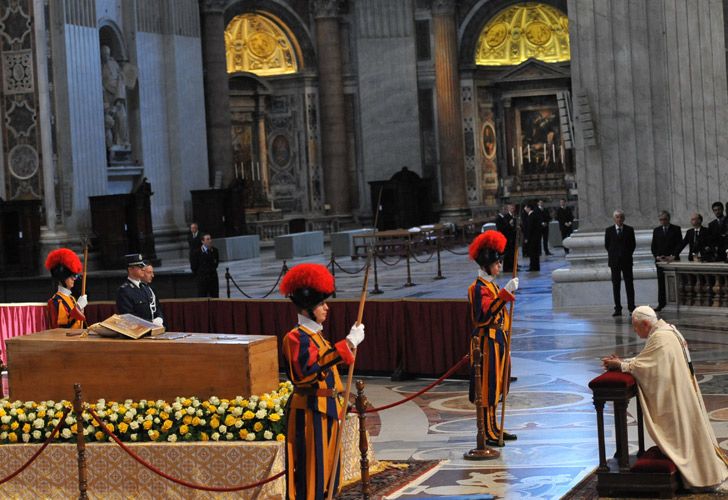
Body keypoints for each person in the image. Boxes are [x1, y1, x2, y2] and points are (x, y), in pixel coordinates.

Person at [602, 306, 728, 491]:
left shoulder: (661, 337)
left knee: (681, 432)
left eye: (636, 327)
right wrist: (623, 363)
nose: (635, 332)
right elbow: (649, 360)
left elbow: (649, 367)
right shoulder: (668, 331)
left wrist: (621, 365)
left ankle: (699, 473)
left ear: (645, 323)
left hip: (676, 397)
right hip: (682, 390)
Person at [280, 263, 365, 500]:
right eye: (321, 304)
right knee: (312, 474)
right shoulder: (296, 338)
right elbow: (306, 371)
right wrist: (348, 343)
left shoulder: (316, 336)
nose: (326, 308)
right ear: (308, 308)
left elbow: (329, 370)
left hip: (326, 410)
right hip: (310, 413)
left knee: (329, 472)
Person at [467, 230, 519, 447]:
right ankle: (487, 430)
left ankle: (495, 426)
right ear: (487, 264)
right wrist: (505, 295)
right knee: (487, 388)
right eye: (497, 263)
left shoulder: (492, 286)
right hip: (486, 342)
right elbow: (484, 315)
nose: (499, 267)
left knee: (497, 386)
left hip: (498, 340)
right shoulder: (477, 288)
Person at [44, 248, 88, 329]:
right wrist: (78, 307)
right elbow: (63, 327)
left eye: (75, 276)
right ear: (62, 278)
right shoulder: (55, 301)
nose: (74, 279)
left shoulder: (71, 298)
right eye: (72, 276)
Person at [116, 254, 164, 326]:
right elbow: (129, 317)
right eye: (140, 267)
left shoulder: (145, 287)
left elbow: (156, 307)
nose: (143, 269)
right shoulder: (124, 291)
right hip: (138, 332)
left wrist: (160, 318)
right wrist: (151, 322)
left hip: (154, 330)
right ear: (130, 269)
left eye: (143, 266)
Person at [605, 209, 636, 316]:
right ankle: (618, 308)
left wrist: (626, 254)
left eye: (621, 217)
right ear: (614, 219)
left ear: (624, 218)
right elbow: (607, 245)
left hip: (626, 261)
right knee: (616, 285)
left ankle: (632, 307)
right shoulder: (609, 231)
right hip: (614, 262)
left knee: (629, 285)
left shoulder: (629, 230)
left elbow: (633, 245)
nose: (619, 219)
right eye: (617, 217)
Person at [650, 211, 682, 312]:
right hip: (660, 261)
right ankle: (661, 303)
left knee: (674, 283)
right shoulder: (656, 230)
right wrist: (657, 256)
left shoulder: (676, 229)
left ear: (668, 219)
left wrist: (672, 256)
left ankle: (675, 303)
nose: (663, 221)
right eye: (661, 220)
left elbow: (679, 244)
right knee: (661, 283)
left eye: (664, 219)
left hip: (672, 260)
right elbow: (653, 246)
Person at [190, 233, 220, 298]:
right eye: (207, 239)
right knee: (202, 298)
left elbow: (216, 263)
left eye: (210, 239)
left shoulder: (215, 251)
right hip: (202, 280)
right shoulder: (197, 252)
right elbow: (194, 267)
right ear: (202, 241)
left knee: (215, 297)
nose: (210, 241)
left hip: (213, 279)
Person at [495, 204, 516, 272]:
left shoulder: (503, 217)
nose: (505, 211)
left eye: (505, 209)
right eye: (504, 209)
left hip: (507, 237)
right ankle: (506, 268)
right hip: (503, 237)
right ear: (501, 210)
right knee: (505, 253)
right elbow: (500, 228)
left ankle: (509, 267)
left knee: (508, 253)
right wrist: (509, 224)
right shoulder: (498, 218)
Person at [523, 202, 541, 271]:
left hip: (532, 238)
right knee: (536, 253)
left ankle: (532, 267)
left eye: (526, 207)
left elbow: (529, 228)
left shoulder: (531, 216)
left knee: (532, 253)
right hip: (536, 238)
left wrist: (527, 237)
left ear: (529, 208)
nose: (525, 209)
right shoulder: (535, 215)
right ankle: (536, 267)